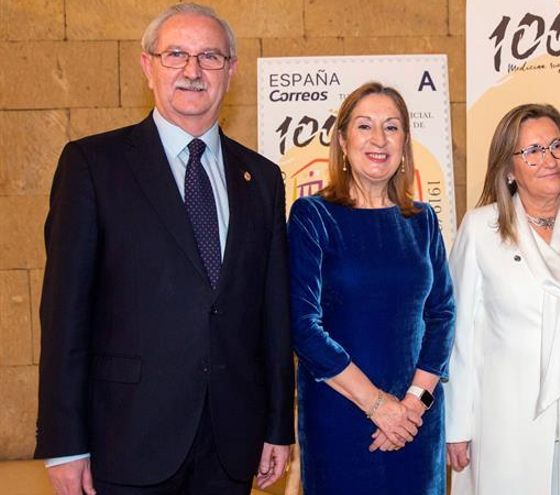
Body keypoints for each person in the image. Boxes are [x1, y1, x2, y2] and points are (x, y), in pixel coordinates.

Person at [34, 4, 294, 494]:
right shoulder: (92, 165)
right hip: (126, 436)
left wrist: (279, 424)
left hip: (231, 440)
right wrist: (65, 443)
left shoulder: (262, 178)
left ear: (231, 71)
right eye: (175, 54)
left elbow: (273, 314)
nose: (192, 70)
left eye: (210, 56)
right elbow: (65, 312)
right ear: (147, 66)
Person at [444, 103, 560, 495]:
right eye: (532, 151)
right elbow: (460, 338)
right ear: (509, 169)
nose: (549, 159)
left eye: (557, 146)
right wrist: (456, 426)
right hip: (505, 424)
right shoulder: (480, 230)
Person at [288, 82, 455, 494]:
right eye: (365, 126)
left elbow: (442, 315)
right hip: (341, 418)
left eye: (391, 127)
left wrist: (414, 404)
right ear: (343, 141)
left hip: (416, 424)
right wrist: (378, 406)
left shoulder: (422, 220)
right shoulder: (314, 216)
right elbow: (303, 326)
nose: (379, 139)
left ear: (404, 143)